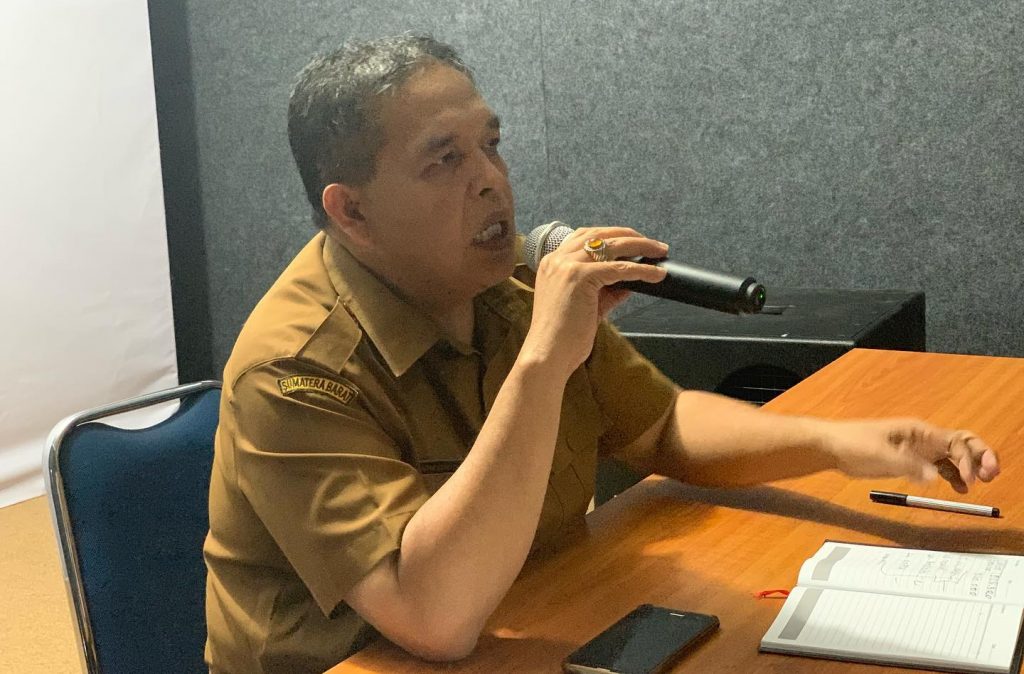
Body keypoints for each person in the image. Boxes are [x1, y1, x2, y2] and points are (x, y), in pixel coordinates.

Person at [203, 34, 1000, 674]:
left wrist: (841, 444)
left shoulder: (507, 282)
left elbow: (661, 426)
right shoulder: (292, 371)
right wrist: (544, 363)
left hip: (530, 615)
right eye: (444, 160)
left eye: (491, 144)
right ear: (352, 213)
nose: (492, 181)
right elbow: (432, 618)